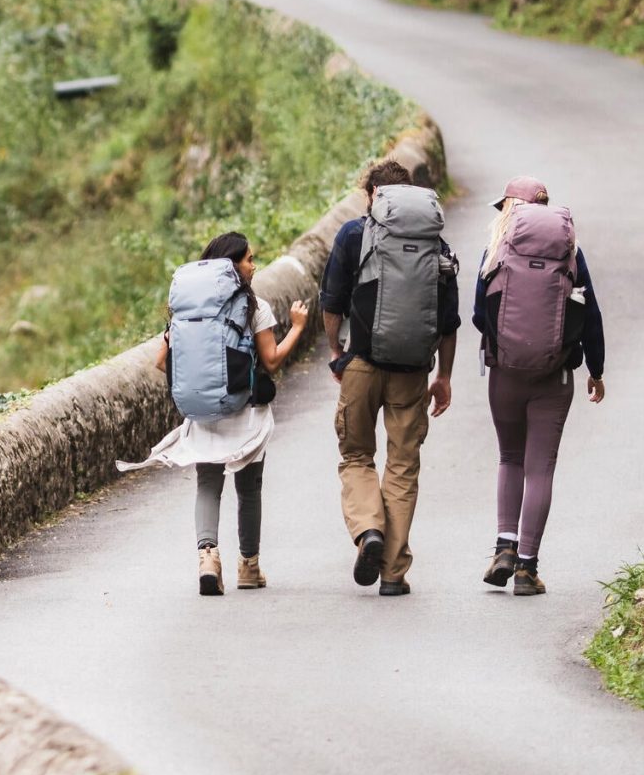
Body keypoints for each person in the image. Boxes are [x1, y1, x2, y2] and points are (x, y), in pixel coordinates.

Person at [130, 232, 311, 595]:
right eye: (248, 259)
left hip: (203, 412)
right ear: (232, 265)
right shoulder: (254, 306)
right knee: (249, 489)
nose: (253, 266)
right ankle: (249, 567)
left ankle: (208, 560)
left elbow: (163, 362)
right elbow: (271, 361)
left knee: (208, 486)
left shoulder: (188, 310)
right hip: (245, 413)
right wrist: (298, 327)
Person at [319, 158, 461, 596]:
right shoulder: (435, 242)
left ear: (372, 195)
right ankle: (394, 573)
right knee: (402, 466)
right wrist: (444, 376)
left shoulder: (354, 234)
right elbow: (448, 322)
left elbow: (331, 302)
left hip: (362, 364)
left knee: (356, 456)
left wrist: (337, 351)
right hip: (413, 371)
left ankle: (369, 531)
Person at [473, 177, 607, 596]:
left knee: (509, 458)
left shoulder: (496, 249)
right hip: (555, 376)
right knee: (540, 469)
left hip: (505, 374)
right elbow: (590, 315)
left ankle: (504, 547)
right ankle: (527, 569)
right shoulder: (571, 252)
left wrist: (505, 344)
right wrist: (596, 370)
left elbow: (478, 313)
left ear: (514, 208)